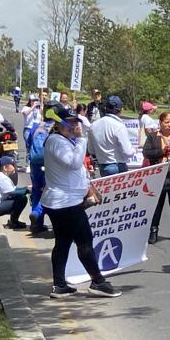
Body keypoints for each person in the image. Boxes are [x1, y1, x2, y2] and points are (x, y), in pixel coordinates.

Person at [40, 103, 121, 299]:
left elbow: (77, 171)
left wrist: (89, 187)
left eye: (75, 122)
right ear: (58, 124)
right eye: (69, 123)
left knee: (63, 242)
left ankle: (60, 285)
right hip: (64, 203)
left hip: (65, 201)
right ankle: (98, 282)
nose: (74, 126)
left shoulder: (64, 141)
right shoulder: (56, 141)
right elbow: (74, 163)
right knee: (84, 241)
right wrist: (82, 139)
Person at [143, 111, 170, 243]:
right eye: (166, 122)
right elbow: (147, 152)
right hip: (158, 176)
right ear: (160, 123)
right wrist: (163, 151)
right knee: (157, 205)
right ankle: (154, 232)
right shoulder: (153, 136)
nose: (169, 125)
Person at [88, 95, 134, 175]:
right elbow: (128, 152)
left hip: (103, 166)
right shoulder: (119, 126)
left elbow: (91, 150)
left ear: (105, 108)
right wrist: (134, 150)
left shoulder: (93, 125)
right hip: (118, 166)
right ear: (120, 109)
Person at [24, 109, 53, 235]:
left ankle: (36, 221)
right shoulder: (57, 128)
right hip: (50, 162)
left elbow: (28, 143)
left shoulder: (36, 126)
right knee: (51, 189)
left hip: (35, 161)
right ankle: (44, 214)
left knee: (36, 188)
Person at [0, 155, 29, 228]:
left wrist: (26, 189)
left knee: (20, 197)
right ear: (5, 168)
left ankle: (14, 221)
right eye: (12, 165)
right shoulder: (1, 177)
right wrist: (27, 190)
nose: (14, 167)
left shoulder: (1, 176)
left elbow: (13, 190)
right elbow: (12, 192)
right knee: (22, 199)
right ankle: (13, 222)